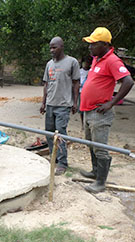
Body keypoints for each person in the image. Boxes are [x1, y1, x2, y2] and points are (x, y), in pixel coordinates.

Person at [79, 27, 134, 193]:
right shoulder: (97, 58)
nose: (90, 47)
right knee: (90, 143)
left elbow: (128, 82)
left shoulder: (113, 61)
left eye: (93, 44)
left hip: (100, 113)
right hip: (89, 110)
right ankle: (95, 172)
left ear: (104, 44)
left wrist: (111, 103)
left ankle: (100, 183)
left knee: (100, 147)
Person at [40, 36, 80, 176]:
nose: (51, 50)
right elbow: (46, 84)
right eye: (50, 47)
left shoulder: (72, 62)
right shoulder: (49, 64)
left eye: (54, 47)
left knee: (61, 134)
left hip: (63, 105)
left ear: (61, 47)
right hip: (50, 104)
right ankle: (53, 157)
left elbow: (76, 83)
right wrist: (43, 102)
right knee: (49, 134)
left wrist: (75, 102)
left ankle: (63, 163)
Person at [78, 55, 93, 130]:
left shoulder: (91, 72)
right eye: (85, 62)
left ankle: (87, 124)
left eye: (88, 62)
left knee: (88, 109)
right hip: (81, 91)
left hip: (89, 92)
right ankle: (82, 124)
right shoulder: (80, 71)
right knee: (81, 109)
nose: (86, 64)